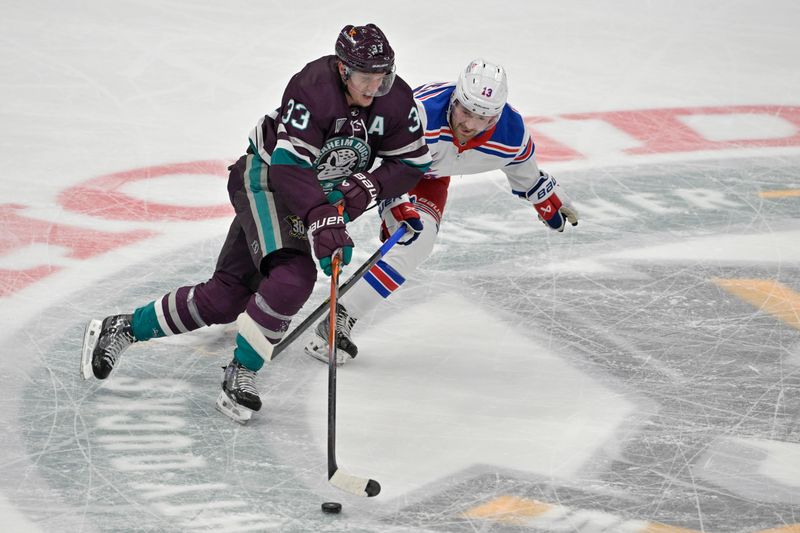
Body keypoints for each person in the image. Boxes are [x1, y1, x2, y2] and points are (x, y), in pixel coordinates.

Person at [80, 23, 431, 423]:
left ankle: (123, 326)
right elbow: (290, 167)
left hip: (314, 191)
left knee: (226, 297)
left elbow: (412, 163)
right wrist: (323, 220)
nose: (374, 88)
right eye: (366, 77)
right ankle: (242, 371)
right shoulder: (312, 87)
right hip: (266, 179)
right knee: (293, 276)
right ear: (342, 69)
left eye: (381, 77)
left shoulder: (396, 100)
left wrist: (362, 190)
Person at [304, 58, 578, 364]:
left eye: (485, 118)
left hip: (431, 178)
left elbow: (528, 176)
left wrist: (545, 197)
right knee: (309, 208)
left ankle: (342, 315)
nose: (470, 125)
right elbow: (379, 154)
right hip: (391, 164)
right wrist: (394, 200)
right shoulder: (421, 113)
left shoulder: (512, 134)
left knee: (417, 240)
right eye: (466, 112)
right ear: (455, 99)